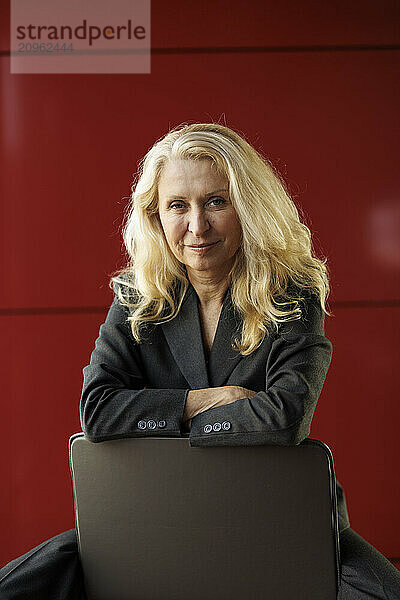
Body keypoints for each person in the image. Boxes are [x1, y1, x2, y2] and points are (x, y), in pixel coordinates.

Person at [1, 123, 399, 600]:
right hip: (158, 520)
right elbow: (98, 412)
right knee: (26, 584)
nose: (197, 226)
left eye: (216, 201)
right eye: (177, 206)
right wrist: (204, 402)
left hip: (276, 520)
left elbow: (285, 417)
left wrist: (158, 418)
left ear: (246, 207)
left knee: (380, 591)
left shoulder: (292, 293)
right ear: (155, 216)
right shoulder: (137, 299)